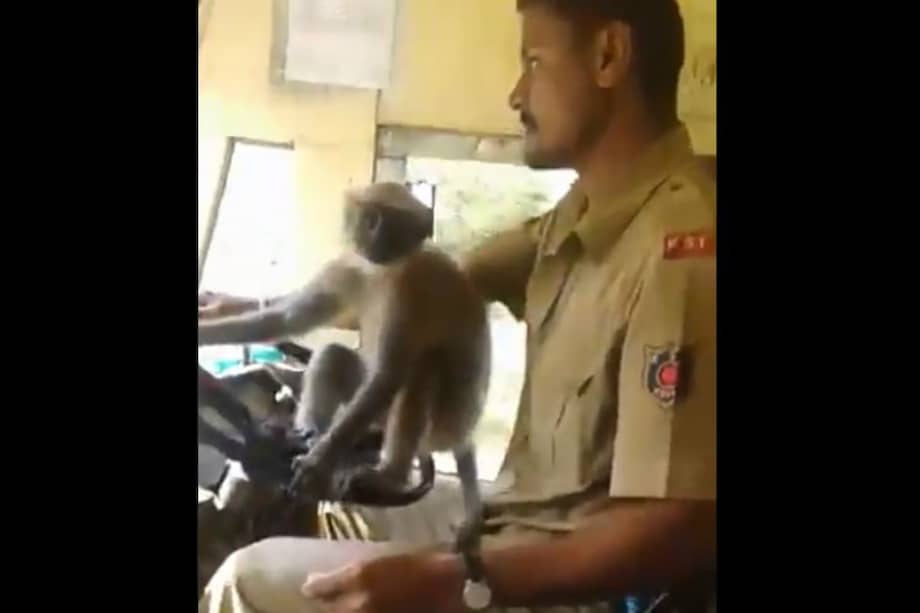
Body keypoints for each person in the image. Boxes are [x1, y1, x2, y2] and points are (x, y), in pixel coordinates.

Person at [198, 0, 716, 611]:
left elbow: (681, 526)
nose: (516, 94)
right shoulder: (580, 218)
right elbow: (422, 290)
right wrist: (258, 304)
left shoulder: (680, 247)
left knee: (249, 577)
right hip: (511, 522)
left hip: (564, 587)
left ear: (609, 56)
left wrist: (464, 579)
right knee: (325, 510)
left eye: (533, 62)